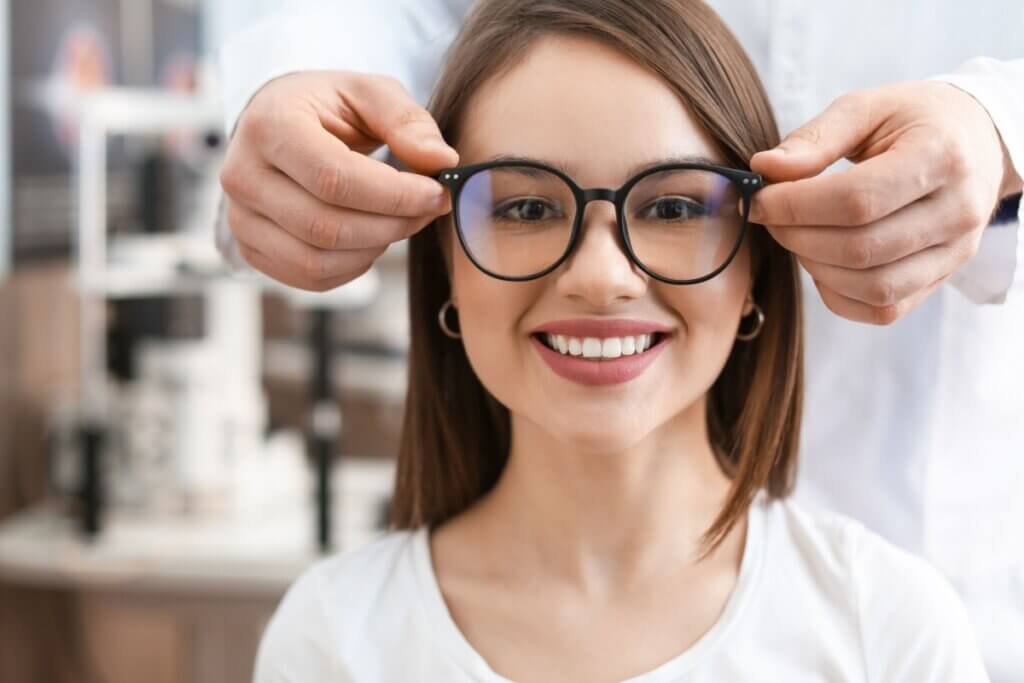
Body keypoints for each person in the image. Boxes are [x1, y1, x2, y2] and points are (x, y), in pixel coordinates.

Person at [218, 1, 1024, 680]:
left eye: (674, 209)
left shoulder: (895, 628)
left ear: (754, 270)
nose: (600, 277)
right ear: (447, 267)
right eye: (526, 209)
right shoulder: (334, 640)